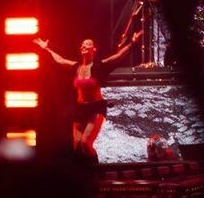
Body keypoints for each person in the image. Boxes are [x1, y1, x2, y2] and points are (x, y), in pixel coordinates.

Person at [35, 30, 141, 158]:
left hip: (95, 109)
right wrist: (46, 48)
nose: (84, 46)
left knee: (85, 143)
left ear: (93, 49)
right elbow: (60, 60)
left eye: (88, 44)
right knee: (77, 144)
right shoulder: (77, 67)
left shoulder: (99, 66)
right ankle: (84, 168)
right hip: (80, 109)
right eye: (83, 44)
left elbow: (118, 56)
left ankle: (97, 166)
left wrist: (132, 43)